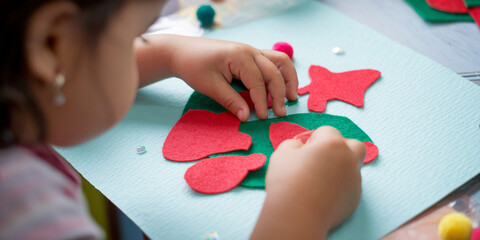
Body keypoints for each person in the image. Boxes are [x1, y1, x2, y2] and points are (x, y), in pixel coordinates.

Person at [0, 0, 365, 239]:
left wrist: (168, 53)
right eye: (137, 33)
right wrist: (300, 214)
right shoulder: (29, 212)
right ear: (51, 44)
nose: (140, 44)